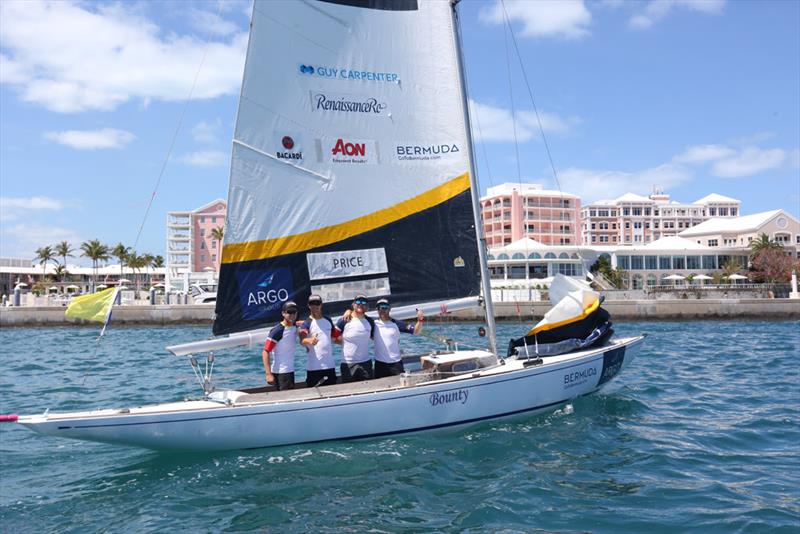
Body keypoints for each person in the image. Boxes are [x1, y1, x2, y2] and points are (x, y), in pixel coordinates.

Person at [373, 298, 424, 378]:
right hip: (380, 364)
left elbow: (415, 331)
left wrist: (420, 320)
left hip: (396, 364)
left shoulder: (396, 324)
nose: (382, 310)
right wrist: (349, 312)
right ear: (377, 309)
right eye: (380, 307)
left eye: (385, 307)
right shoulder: (373, 324)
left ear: (389, 309)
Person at [298, 294, 341, 387]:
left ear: (321, 305)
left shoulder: (328, 320)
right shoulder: (306, 323)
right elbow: (302, 340)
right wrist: (309, 340)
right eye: (312, 304)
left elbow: (335, 338)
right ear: (309, 306)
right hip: (314, 368)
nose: (315, 306)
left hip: (330, 366)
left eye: (317, 303)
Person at [262, 301, 301, 390]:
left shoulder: (294, 326)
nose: (292, 314)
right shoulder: (277, 331)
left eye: (294, 312)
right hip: (281, 373)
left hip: (290, 371)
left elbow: (306, 322)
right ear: (283, 313)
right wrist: (268, 374)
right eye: (289, 312)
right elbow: (265, 351)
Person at [336, 294, 375, 382]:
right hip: (348, 364)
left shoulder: (370, 321)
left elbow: (375, 337)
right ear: (353, 305)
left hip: (366, 363)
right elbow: (333, 337)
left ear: (367, 306)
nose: (360, 304)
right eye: (358, 302)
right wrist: (344, 342)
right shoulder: (344, 320)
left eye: (363, 302)